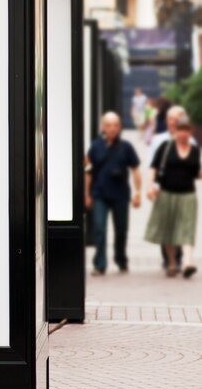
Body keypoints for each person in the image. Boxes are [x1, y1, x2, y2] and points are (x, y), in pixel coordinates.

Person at [85, 112, 142, 275]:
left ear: (120, 127)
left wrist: (138, 192)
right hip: (99, 194)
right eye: (108, 125)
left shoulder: (126, 147)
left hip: (121, 195)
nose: (112, 128)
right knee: (99, 229)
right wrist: (86, 194)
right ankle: (100, 264)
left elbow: (136, 169)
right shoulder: (95, 146)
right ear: (103, 127)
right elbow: (88, 171)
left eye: (115, 125)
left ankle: (121, 258)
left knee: (121, 230)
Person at [145, 117, 201, 278]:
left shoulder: (195, 150)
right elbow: (153, 168)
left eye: (186, 130)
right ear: (175, 131)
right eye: (180, 130)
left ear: (190, 133)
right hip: (166, 194)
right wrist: (150, 187)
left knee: (187, 229)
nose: (183, 133)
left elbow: (197, 172)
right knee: (169, 230)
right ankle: (171, 263)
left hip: (188, 195)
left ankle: (187, 263)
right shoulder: (166, 147)